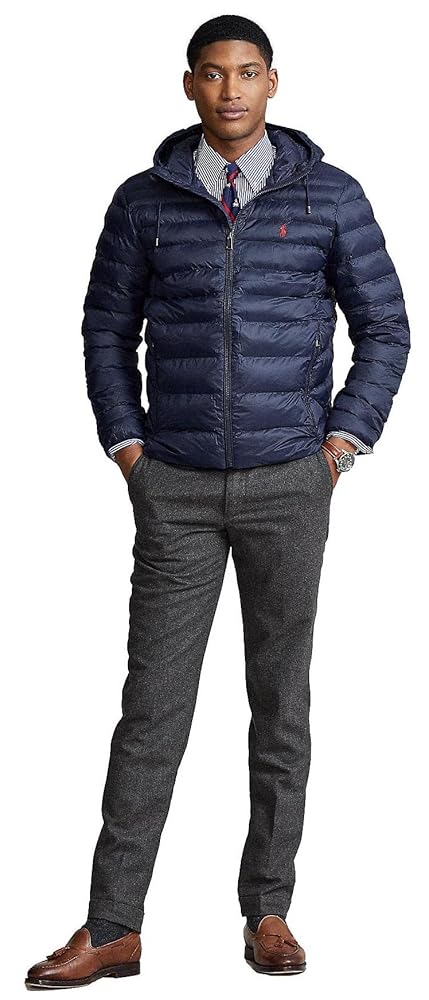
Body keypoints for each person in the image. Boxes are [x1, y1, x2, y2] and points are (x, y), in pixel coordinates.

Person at [25, 13, 410, 988]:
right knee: (150, 708)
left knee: (280, 702)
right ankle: (113, 925)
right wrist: (128, 446)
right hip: (178, 486)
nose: (230, 89)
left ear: (272, 82)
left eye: (246, 72)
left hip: (291, 482)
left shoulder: (329, 195)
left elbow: (385, 327)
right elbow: (104, 327)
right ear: (189, 85)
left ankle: (269, 910)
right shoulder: (144, 201)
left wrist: (341, 441)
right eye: (212, 73)